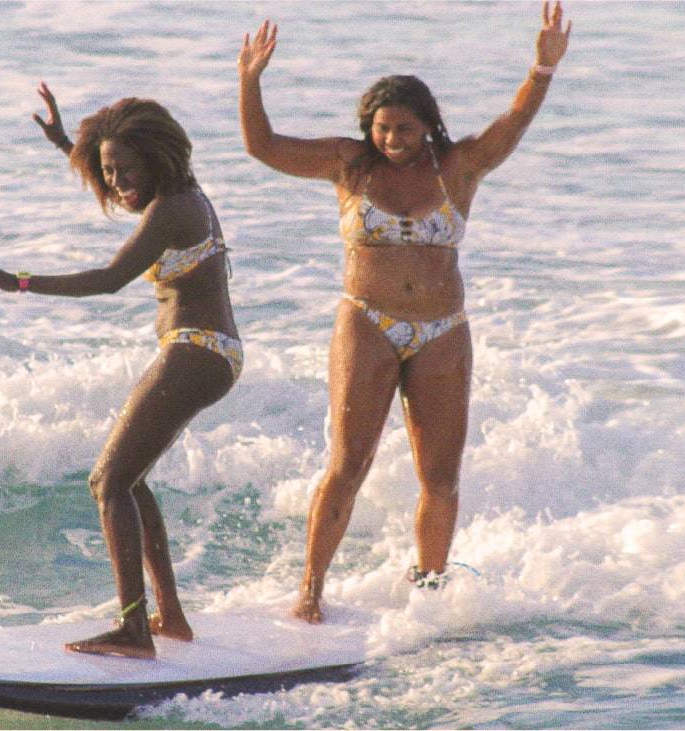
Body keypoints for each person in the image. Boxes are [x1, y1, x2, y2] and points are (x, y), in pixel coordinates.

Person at [235, 3, 571, 623]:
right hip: (367, 321)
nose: (393, 140)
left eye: (406, 130)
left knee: (440, 477)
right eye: (383, 129)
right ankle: (310, 591)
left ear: (428, 128)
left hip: (444, 330)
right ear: (369, 128)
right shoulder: (347, 164)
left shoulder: (459, 166)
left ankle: (430, 590)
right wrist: (250, 81)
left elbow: (514, 121)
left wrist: (541, 70)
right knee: (348, 465)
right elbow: (263, 148)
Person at [0, 84, 241, 658]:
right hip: (206, 352)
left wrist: (18, 281)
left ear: (157, 159)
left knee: (107, 481)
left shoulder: (172, 210)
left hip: (196, 349)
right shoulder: (184, 197)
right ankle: (170, 619)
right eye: (107, 170)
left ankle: (134, 629)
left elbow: (109, 278)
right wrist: (68, 144)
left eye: (125, 169)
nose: (115, 182)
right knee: (130, 479)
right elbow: (115, 172)